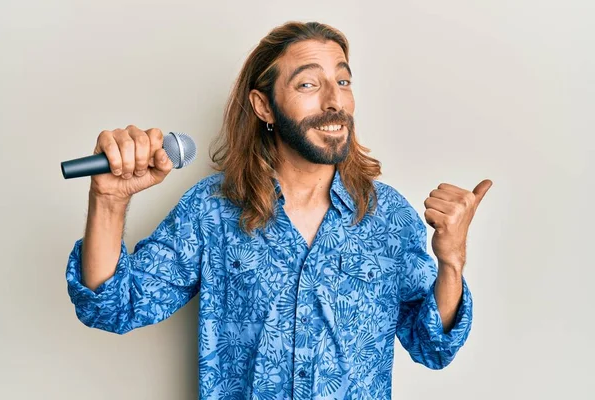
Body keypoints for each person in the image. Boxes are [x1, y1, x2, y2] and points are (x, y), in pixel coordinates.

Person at [66, 21, 492, 399]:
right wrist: (109, 200)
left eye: (343, 82)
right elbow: (113, 307)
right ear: (263, 106)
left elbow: (433, 345)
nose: (334, 101)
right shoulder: (212, 210)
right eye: (309, 84)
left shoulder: (388, 216)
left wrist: (451, 261)